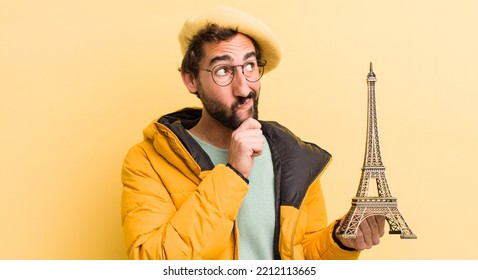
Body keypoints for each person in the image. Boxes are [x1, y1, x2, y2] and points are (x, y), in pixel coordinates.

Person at [121, 6, 385, 260]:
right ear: (191, 80)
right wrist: (233, 173)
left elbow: (301, 257)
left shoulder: (294, 157)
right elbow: (154, 262)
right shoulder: (147, 162)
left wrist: (340, 241)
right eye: (223, 70)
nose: (243, 88)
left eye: (249, 66)